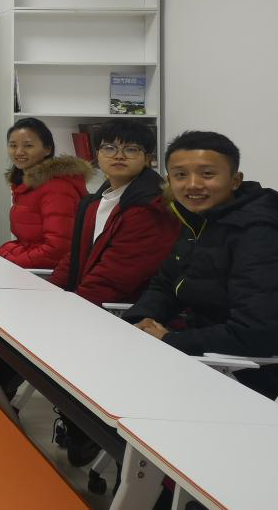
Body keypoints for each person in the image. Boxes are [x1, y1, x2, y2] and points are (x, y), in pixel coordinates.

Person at [47, 119, 179, 467]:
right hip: (92, 306)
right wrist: (46, 297)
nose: (119, 155)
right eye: (109, 147)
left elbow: (117, 275)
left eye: (131, 149)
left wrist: (64, 312)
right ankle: (78, 429)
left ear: (148, 158)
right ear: (96, 155)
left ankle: (88, 432)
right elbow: (76, 256)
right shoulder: (99, 198)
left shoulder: (149, 206)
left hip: (122, 315)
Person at [125, 131, 278, 400]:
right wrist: (138, 321)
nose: (193, 185)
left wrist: (170, 341)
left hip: (251, 373)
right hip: (207, 355)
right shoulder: (199, 220)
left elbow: (257, 332)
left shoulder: (260, 232)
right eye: (180, 175)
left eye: (207, 174)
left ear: (235, 180)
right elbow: (166, 285)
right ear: (168, 180)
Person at [0, 117, 90, 270]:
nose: (19, 152)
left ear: (47, 149)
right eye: (13, 145)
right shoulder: (27, 184)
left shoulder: (57, 188)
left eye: (28, 145)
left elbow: (58, 250)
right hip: (34, 264)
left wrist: (9, 264)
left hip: (49, 274)